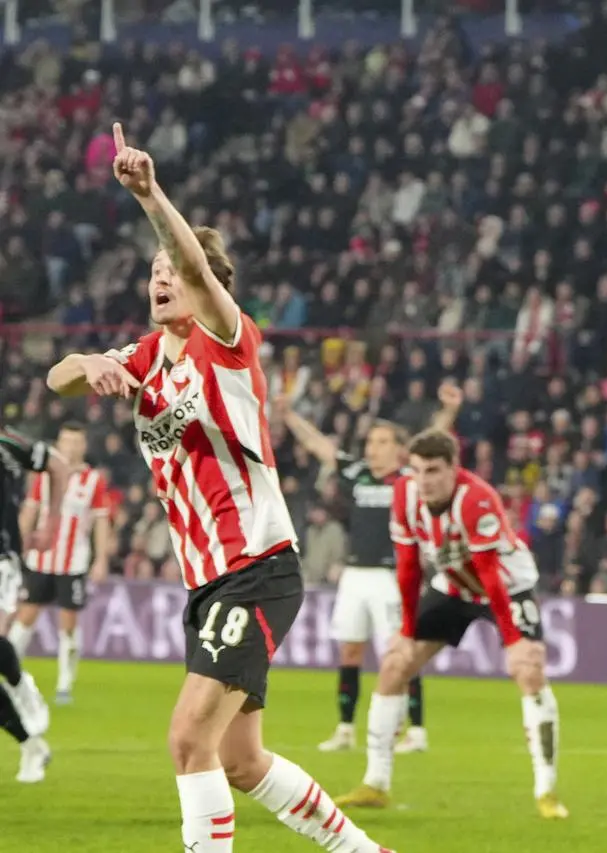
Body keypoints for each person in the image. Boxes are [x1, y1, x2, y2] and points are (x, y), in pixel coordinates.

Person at [46, 124, 394, 853]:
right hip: (206, 584)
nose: (162, 277)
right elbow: (58, 382)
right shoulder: (144, 357)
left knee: (185, 738)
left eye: (173, 266)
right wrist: (87, 361)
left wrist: (149, 195)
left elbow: (203, 276)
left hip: (257, 566)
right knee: (238, 759)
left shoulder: (229, 343)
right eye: (153, 270)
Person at [334, 429, 567, 820]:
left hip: (507, 587)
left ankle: (547, 792)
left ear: (453, 469)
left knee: (528, 669)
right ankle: (376, 783)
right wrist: (407, 632)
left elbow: (490, 574)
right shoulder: (405, 496)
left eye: (434, 471)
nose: (424, 481)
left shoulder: (476, 499)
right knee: (394, 664)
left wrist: (511, 640)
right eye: (418, 470)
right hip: (453, 586)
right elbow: (408, 566)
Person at [279, 384, 461, 754]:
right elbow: (321, 447)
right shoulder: (358, 474)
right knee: (350, 652)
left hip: (391, 577)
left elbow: (436, 437)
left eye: (381, 441)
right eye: (371, 441)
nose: (372, 447)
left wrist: (449, 410)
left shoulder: (410, 478)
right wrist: (289, 416)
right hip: (355, 575)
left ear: (399, 448)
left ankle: (417, 732)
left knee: (400, 654)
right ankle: (345, 728)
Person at [7, 422, 113, 705]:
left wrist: (100, 558)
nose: (71, 447)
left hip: (73, 563)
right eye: (66, 441)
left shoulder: (93, 480)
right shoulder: (44, 476)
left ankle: (65, 684)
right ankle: (11, 679)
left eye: (76, 442)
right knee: (26, 616)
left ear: (84, 445)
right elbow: (30, 512)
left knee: (68, 623)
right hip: (40, 559)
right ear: (59, 443)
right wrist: (14, 548)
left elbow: (101, 522)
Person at [0, 425, 67, 783]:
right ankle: (30, 744)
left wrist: (51, 521)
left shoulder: (7, 444)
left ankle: (19, 683)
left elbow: (58, 466)